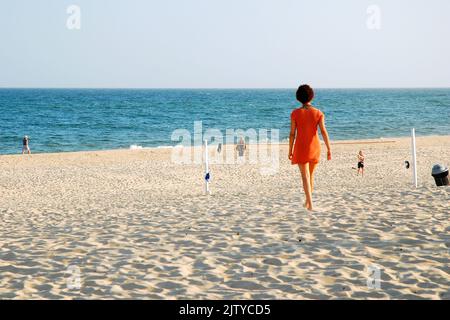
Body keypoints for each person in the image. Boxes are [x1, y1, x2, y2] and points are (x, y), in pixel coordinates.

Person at [289, 85, 331, 211]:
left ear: (298, 98)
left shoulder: (295, 113)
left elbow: (292, 134)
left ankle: (310, 205)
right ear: (312, 96)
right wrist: (329, 148)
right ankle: (307, 203)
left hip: (301, 147)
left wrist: (290, 150)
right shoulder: (318, 113)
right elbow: (323, 131)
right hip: (314, 146)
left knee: (305, 177)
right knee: (310, 176)